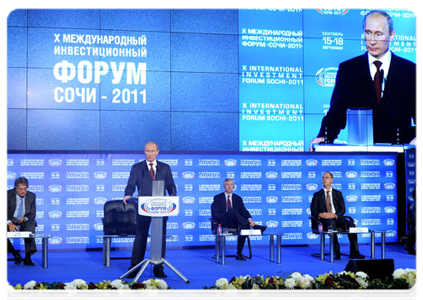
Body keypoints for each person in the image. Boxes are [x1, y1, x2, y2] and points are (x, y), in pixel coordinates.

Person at [309, 10, 420, 151]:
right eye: (368, 33)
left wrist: (418, 137)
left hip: (399, 157)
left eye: (378, 34)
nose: (372, 40)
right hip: (361, 156)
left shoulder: (409, 70)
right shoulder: (349, 69)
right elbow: (336, 114)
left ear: (392, 35)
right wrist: (324, 136)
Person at [123, 141, 176, 278]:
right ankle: (134, 268)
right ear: (144, 152)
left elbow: (171, 185)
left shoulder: (165, 168)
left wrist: (173, 196)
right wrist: (128, 194)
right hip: (144, 208)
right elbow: (131, 185)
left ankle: (158, 269)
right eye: (147, 151)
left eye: (153, 151)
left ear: (157, 152)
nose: (150, 153)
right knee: (140, 238)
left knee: (160, 238)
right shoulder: (137, 167)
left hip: (161, 208)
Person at [310, 172, 364, 260]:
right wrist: (321, 214)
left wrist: (335, 215)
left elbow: (343, 209)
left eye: (326, 177)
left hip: (337, 217)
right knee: (331, 225)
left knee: (352, 226)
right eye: (323, 178)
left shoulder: (338, 193)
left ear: (332, 180)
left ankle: (354, 252)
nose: (324, 179)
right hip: (325, 220)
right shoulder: (317, 195)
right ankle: (336, 252)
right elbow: (313, 210)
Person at [211, 178, 267, 261]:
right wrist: (227, 214)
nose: (229, 186)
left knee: (244, 226)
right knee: (231, 211)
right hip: (223, 222)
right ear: (224, 186)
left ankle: (239, 253)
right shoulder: (217, 198)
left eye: (231, 184)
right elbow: (215, 214)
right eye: (227, 184)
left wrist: (250, 219)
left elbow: (244, 211)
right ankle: (255, 227)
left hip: (236, 222)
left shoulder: (238, 198)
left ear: (234, 186)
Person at [5, 177, 37, 266]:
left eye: (25, 189)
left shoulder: (32, 196)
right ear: (16, 188)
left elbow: (32, 214)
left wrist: (25, 218)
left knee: (30, 225)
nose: (23, 191)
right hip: (10, 219)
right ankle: (15, 254)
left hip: (24, 220)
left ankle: (28, 257)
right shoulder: (7, 195)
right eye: (20, 189)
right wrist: (9, 222)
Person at [404, 180, 419, 255]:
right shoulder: (417, 190)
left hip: (417, 214)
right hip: (418, 214)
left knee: (416, 231)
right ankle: (409, 246)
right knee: (416, 231)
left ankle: (409, 246)